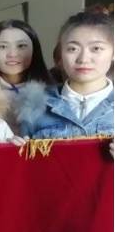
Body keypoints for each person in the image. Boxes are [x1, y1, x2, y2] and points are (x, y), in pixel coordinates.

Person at [26, 10, 114, 139]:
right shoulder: (35, 103)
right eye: (73, 49)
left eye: (96, 48)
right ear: (61, 54)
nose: (83, 59)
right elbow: (19, 149)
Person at [0, 19, 52, 135]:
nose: (12, 54)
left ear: (35, 50)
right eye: (3, 46)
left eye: (21, 46)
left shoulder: (52, 93)